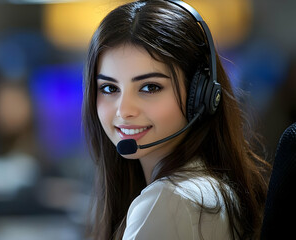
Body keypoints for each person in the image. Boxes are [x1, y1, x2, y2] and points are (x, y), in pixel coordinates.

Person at [82, 0, 270, 239]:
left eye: (150, 87)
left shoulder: (169, 202)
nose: (123, 111)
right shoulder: (212, 190)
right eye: (109, 88)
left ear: (200, 95)